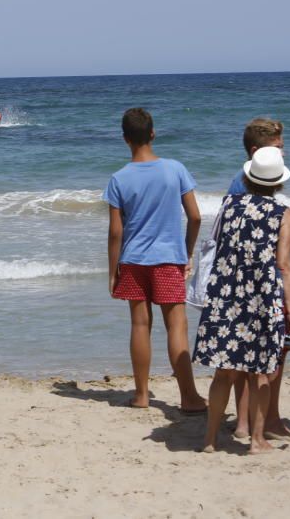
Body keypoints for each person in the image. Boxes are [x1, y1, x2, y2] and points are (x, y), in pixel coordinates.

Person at [194, 146, 290, 454]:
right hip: (262, 296)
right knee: (260, 372)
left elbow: (217, 244)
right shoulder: (282, 214)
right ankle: (256, 440)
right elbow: (284, 266)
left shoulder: (229, 205)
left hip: (225, 292)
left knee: (223, 372)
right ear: (278, 182)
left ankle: (210, 439)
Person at [104, 108, 207, 413]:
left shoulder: (119, 178)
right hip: (167, 260)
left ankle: (141, 395)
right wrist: (187, 252)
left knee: (139, 324)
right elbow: (196, 216)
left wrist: (113, 271)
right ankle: (188, 396)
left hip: (134, 260)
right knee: (176, 326)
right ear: (153, 133)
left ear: (125, 139)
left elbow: (115, 232)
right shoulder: (175, 169)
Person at [226, 118, 290, 440]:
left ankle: (245, 421)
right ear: (257, 151)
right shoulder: (245, 183)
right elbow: (268, 232)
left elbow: (257, 223)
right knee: (270, 353)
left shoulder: (241, 184)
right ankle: (265, 419)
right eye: (278, 148)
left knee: (243, 351)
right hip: (262, 282)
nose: (284, 152)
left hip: (241, 281)